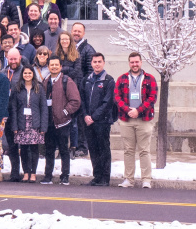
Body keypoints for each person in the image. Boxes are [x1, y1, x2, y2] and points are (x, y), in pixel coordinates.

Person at [114, 52, 158, 188]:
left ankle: (146, 179)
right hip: (126, 120)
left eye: (137, 62)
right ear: (129, 63)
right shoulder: (122, 79)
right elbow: (117, 97)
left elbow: (152, 98)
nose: (134, 64)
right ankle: (129, 179)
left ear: (141, 62)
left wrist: (138, 110)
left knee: (144, 150)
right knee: (128, 150)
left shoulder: (150, 78)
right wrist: (128, 110)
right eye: (132, 62)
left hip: (144, 119)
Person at [41, 56, 81, 185]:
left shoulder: (66, 81)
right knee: (49, 149)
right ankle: (48, 176)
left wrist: (65, 112)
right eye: (51, 65)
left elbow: (75, 101)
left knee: (64, 149)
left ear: (60, 66)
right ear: (48, 67)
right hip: (48, 122)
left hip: (62, 122)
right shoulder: (45, 81)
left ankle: (65, 176)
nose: (53, 67)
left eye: (56, 65)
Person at [82, 53, 116, 186]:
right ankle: (96, 177)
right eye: (94, 62)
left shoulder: (109, 81)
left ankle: (105, 178)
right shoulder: (86, 80)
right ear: (91, 63)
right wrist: (85, 115)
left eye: (99, 61)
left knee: (104, 149)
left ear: (103, 63)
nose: (97, 64)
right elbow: (83, 100)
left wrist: (94, 117)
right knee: (93, 149)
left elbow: (108, 102)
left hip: (102, 121)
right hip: (88, 121)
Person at [9, 66, 48, 183]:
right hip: (22, 122)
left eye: (29, 73)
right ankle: (26, 172)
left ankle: (33, 173)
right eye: (25, 73)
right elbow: (14, 108)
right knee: (24, 149)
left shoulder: (39, 88)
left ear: (33, 74)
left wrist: (43, 126)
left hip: (35, 122)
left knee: (34, 149)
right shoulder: (17, 88)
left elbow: (44, 108)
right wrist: (14, 126)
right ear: (22, 74)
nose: (27, 75)